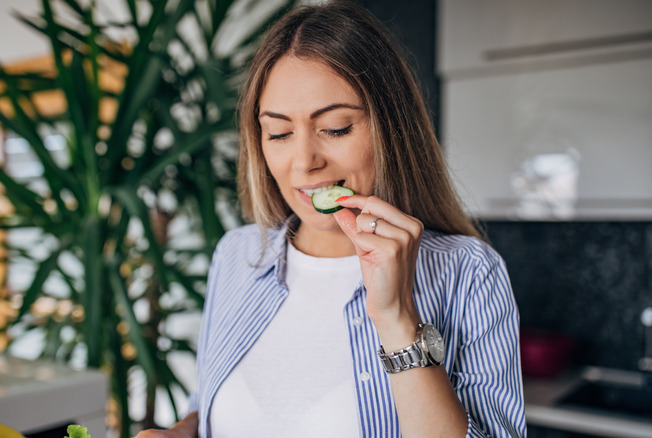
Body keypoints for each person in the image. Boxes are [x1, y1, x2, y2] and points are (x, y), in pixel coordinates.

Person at [135, 1, 526, 437]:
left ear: (390, 127)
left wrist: (397, 321)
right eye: (279, 133)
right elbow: (208, 405)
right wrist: (180, 431)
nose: (304, 162)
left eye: (336, 128)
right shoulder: (238, 254)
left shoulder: (467, 272)